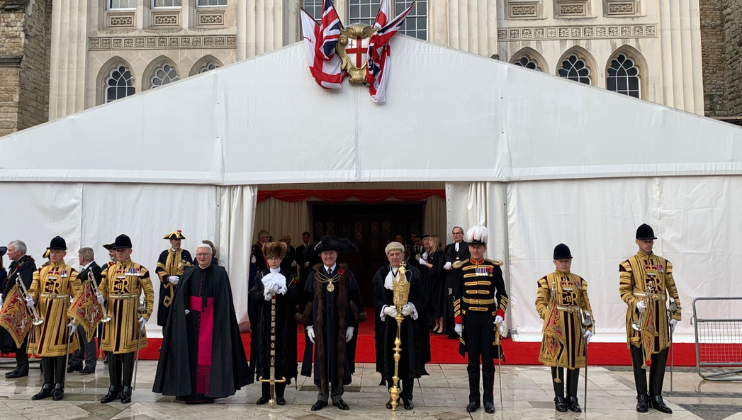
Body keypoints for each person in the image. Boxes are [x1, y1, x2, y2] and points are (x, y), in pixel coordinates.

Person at [154, 244, 251, 403]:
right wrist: (184, 310)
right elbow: (181, 298)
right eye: (199, 254)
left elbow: (225, 299)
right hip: (192, 322)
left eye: (205, 254)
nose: (202, 257)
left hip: (212, 320)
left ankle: (209, 391)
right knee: (191, 355)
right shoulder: (189, 272)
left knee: (210, 356)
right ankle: (189, 391)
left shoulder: (220, 273)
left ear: (211, 255)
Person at [620, 224, 681, 414]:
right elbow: (623, 292)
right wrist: (635, 302)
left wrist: (676, 313)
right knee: (639, 359)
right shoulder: (628, 264)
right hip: (640, 317)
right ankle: (642, 396)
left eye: (650, 241)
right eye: (645, 241)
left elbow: (672, 289)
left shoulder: (664, 264)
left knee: (660, 357)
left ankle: (657, 396)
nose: (648, 244)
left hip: (661, 317)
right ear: (637, 241)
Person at [300, 236, 365, 411]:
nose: (328, 256)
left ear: (337, 254)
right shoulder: (314, 275)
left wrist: (351, 325)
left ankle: (337, 396)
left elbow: (355, 300)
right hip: (320, 326)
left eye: (331, 253)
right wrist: (309, 325)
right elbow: (307, 300)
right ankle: (321, 396)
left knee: (339, 359)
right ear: (320, 256)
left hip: (340, 326)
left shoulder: (346, 274)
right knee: (321, 358)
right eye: (325, 253)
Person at [452, 226, 507, 414]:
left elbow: (503, 295)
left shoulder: (493, 267)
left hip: (488, 319)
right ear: (468, 247)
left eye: (479, 247)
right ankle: (474, 399)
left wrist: (500, 314)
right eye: (472, 246)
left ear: (484, 248)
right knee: (473, 361)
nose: (475, 250)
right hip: (469, 319)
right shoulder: (462, 268)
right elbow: (457, 296)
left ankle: (489, 400)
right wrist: (458, 320)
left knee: (489, 362)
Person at [535, 244, 595, 413]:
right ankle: (559, 396)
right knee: (557, 360)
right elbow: (540, 302)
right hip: (557, 327)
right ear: (554, 261)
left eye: (567, 261)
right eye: (561, 261)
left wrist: (589, 325)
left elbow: (585, 305)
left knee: (574, 361)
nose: (564, 264)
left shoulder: (579, 281)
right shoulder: (546, 280)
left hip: (575, 325)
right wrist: (548, 317)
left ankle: (573, 397)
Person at [97, 234, 155, 404]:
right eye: (117, 250)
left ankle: (127, 388)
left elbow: (149, 293)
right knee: (112, 352)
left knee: (128, 351)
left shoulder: (140, 270)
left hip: (130, 315)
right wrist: (100, 297)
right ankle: (113, 387)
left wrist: (146, 314)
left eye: (122, 250)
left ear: (130, 250)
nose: (119, 253)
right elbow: (102, 289)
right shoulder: (108, 270)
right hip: (112, 315)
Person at [372, 242, 428, 410]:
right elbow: (375, 298)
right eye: (392, 254)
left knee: (407, 357)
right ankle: (392, 393)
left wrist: (411, 307)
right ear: (388, 256)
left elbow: (422, 297)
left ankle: (408, 396)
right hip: (388, 324)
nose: (395, 257)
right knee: (389, 357)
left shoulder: (413, 273)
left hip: (408, 325)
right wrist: (384, 308)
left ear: (403, 255)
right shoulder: (381, 274)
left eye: (398, 254)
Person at [26, 236, 82, 401]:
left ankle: (59, 384)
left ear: (64, 253)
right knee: (45, 351)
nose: (54, 255)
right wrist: (30, 297)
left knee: (59, 352)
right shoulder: (40, 272)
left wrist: (74, 320)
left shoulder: (72, 273)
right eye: (52, 252)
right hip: (43, 315)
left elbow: (78, 298)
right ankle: (47, 384)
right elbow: (33, 290)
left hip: (61, 316)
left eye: (57, 252)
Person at [250, 242, 297, 405]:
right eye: (270, 258)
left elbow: (295, 297)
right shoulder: (261, 275)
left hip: (283, 322)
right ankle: (264, 393)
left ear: (281, 258)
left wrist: (284, 292)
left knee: (281, 353)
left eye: (276, 258)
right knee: (264, 354)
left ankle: (280, 394)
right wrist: (265, 295)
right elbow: (254, 297)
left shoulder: (289, 276)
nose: (273, 261)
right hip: (265, 321)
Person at [1, 240, 36, 379]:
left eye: (10, 250)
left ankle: (23, 367)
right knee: (15, 337)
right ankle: (19, 365)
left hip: (20, 307)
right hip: (13, 307)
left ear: (19, 252)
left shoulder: (27, 265)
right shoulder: (16, 265)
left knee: (20, 337)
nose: (7, 253)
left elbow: (24, 285)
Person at [68, 247, 102, 375]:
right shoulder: (89, 269)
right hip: (80, 307)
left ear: (81, 258)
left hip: (88, 308)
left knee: (87, 336)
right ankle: (77, 362)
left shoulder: (94, 270)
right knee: (78, 335)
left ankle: (90, 363)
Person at [155, 231, 193, 327]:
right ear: (170, 241)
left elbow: (190, 269)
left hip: (181, 288)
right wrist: (168, 278)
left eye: (179, 240)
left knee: (181, 311)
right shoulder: (164, 254)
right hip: (166, 288)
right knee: (166, 312)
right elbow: (159, 269)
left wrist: (180, 279)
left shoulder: (186, 254)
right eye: (175, 240)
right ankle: (166, 337)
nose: (177, 242)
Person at [442, 226, 469, 338]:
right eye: (454, 233)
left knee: (461, 301)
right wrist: (448, 263)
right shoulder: (449, 247)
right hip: (451, 278)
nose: (456, 235)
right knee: (451, 302)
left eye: (458, 233)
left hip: (462, 277)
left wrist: (456, 264)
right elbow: (446, 257)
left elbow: (467, 259)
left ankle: (463, 330)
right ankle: (452, 330)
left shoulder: (467, 246)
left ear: (462, 234)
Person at [419, 235, 445, 333]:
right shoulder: (431, 254)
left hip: (437, 282)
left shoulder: (438, 253)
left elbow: (436, 268)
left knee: (437, 303)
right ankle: (436, 324)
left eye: (430, 241)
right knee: (432, 303)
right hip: (431, 281)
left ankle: (441, 326)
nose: (428, 244)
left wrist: (425, 263)